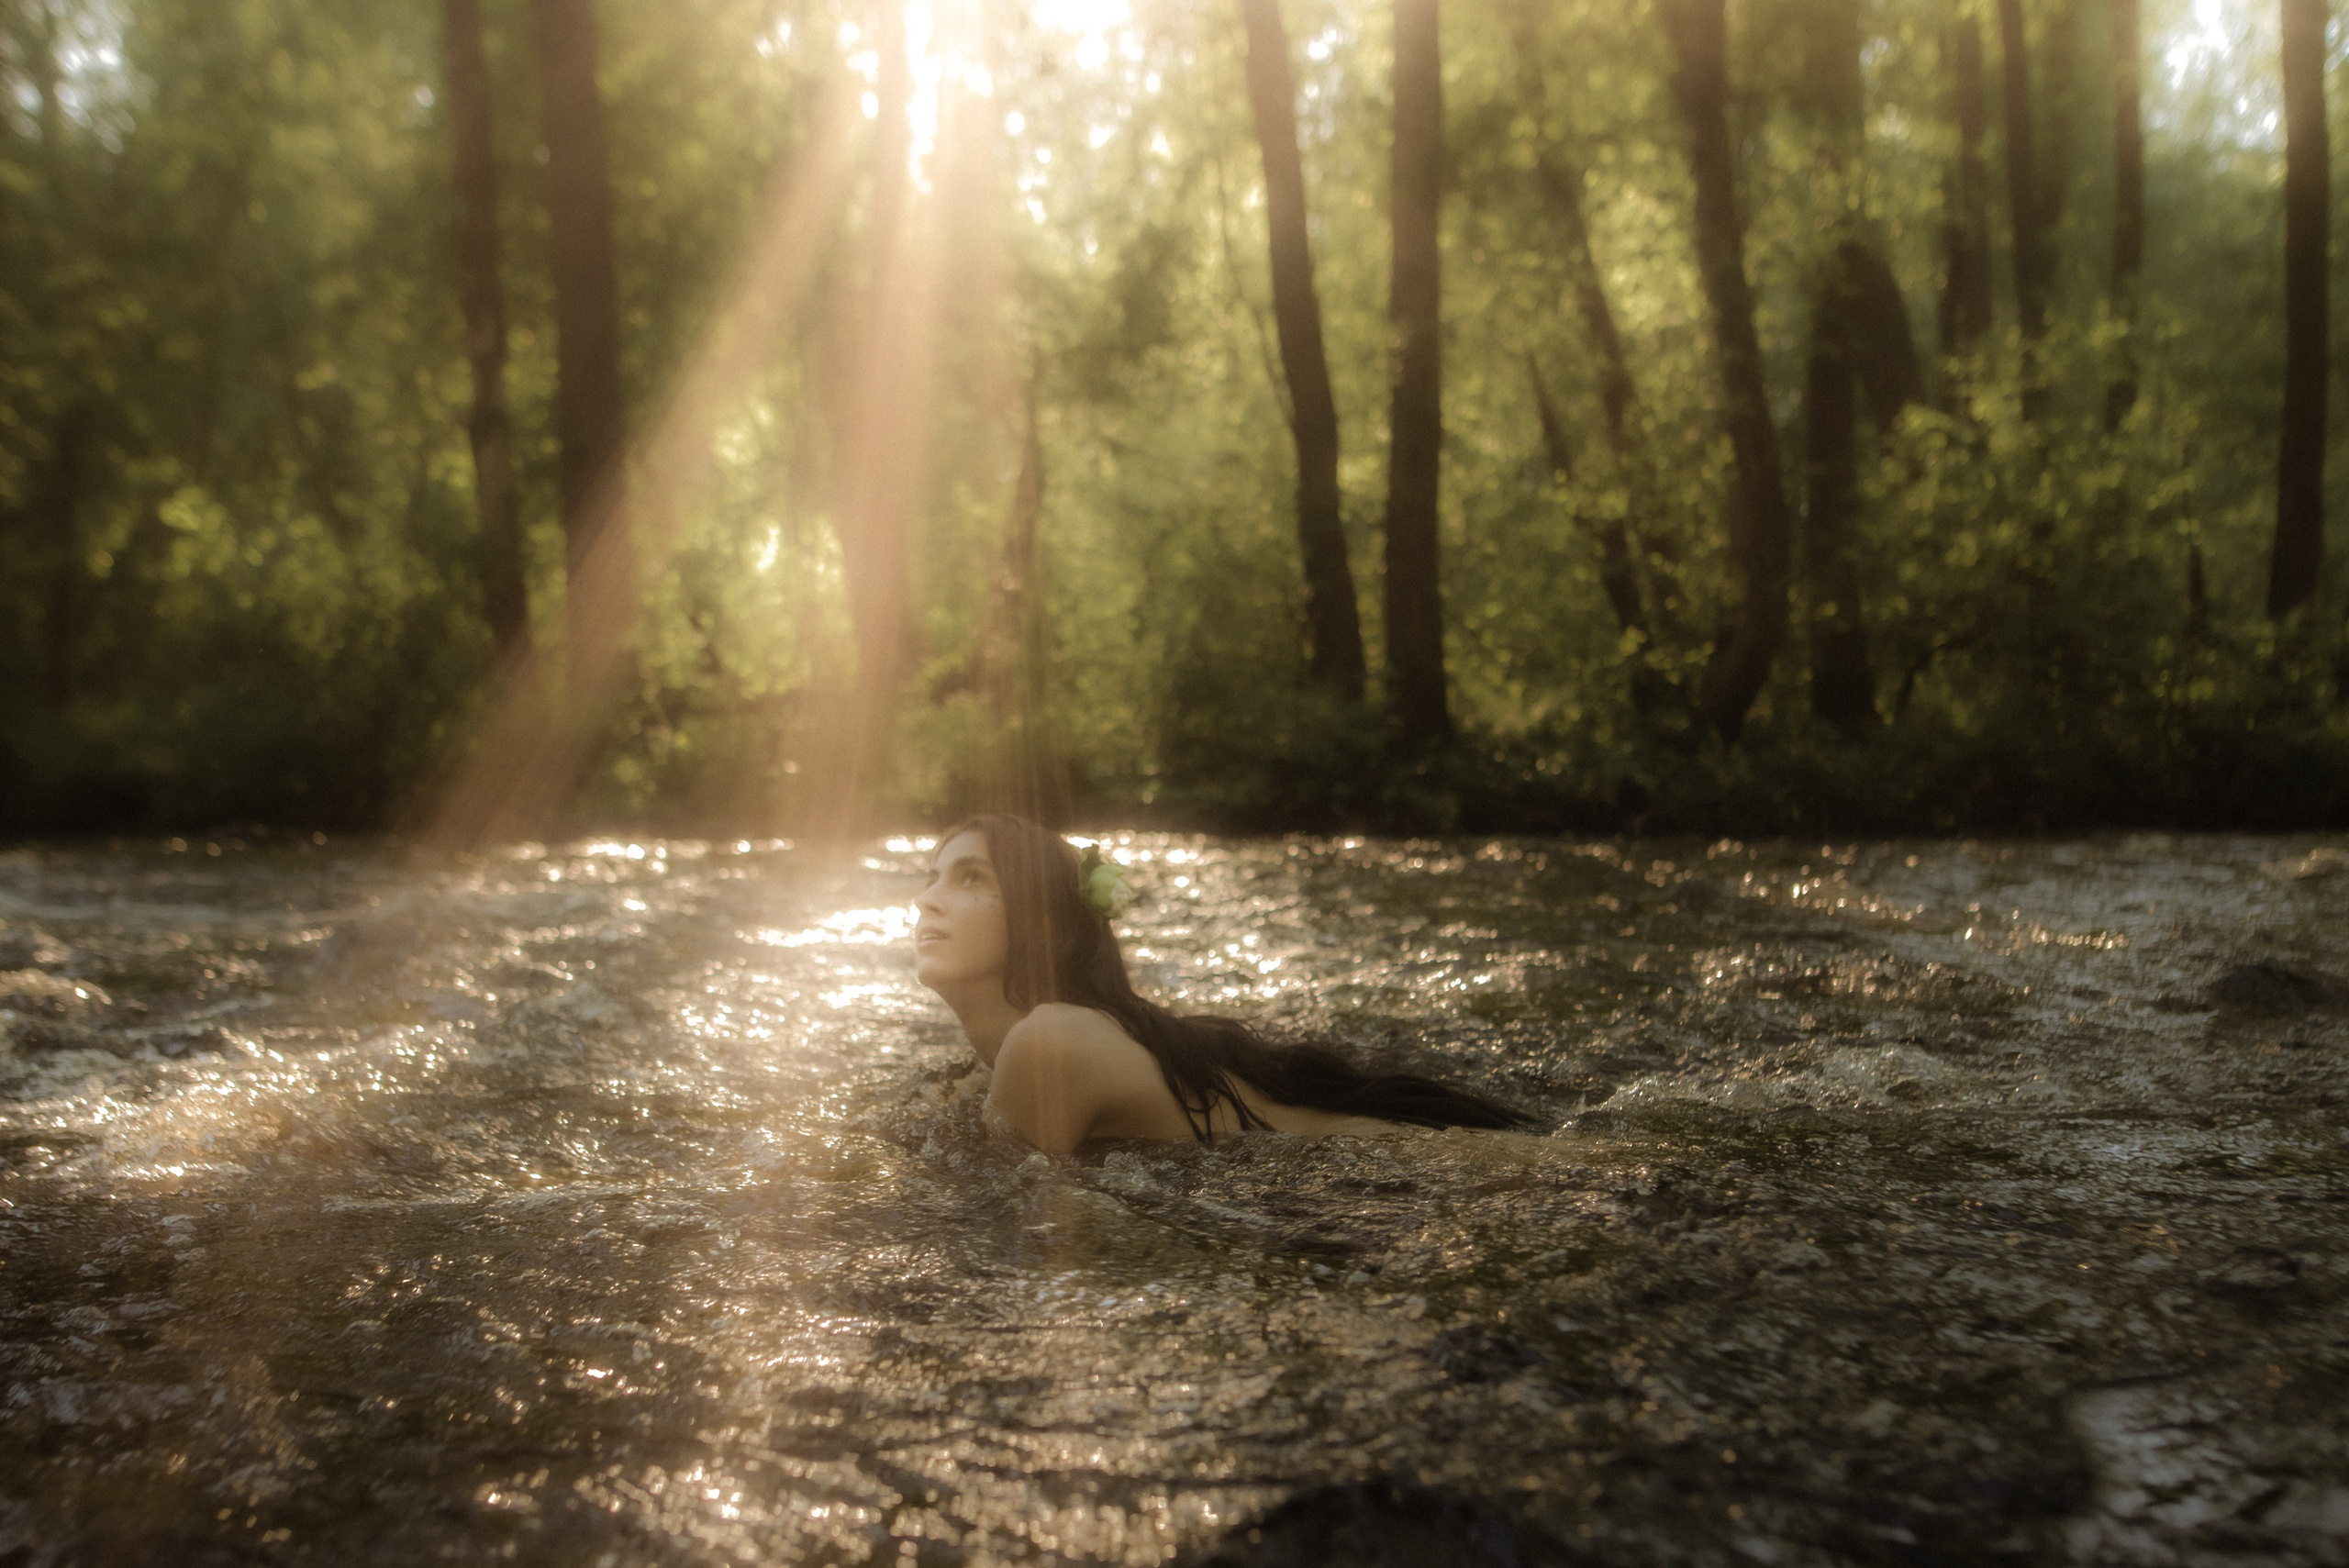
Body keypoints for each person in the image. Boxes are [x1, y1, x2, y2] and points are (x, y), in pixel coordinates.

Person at [913, 814, 1536, 1153]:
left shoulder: (1046, 1042)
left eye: (969, 878)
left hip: (1431, 1176)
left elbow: (982, 1231)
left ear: (1044, 923)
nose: (929, 900)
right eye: (932, 876)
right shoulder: (1051, 1038)